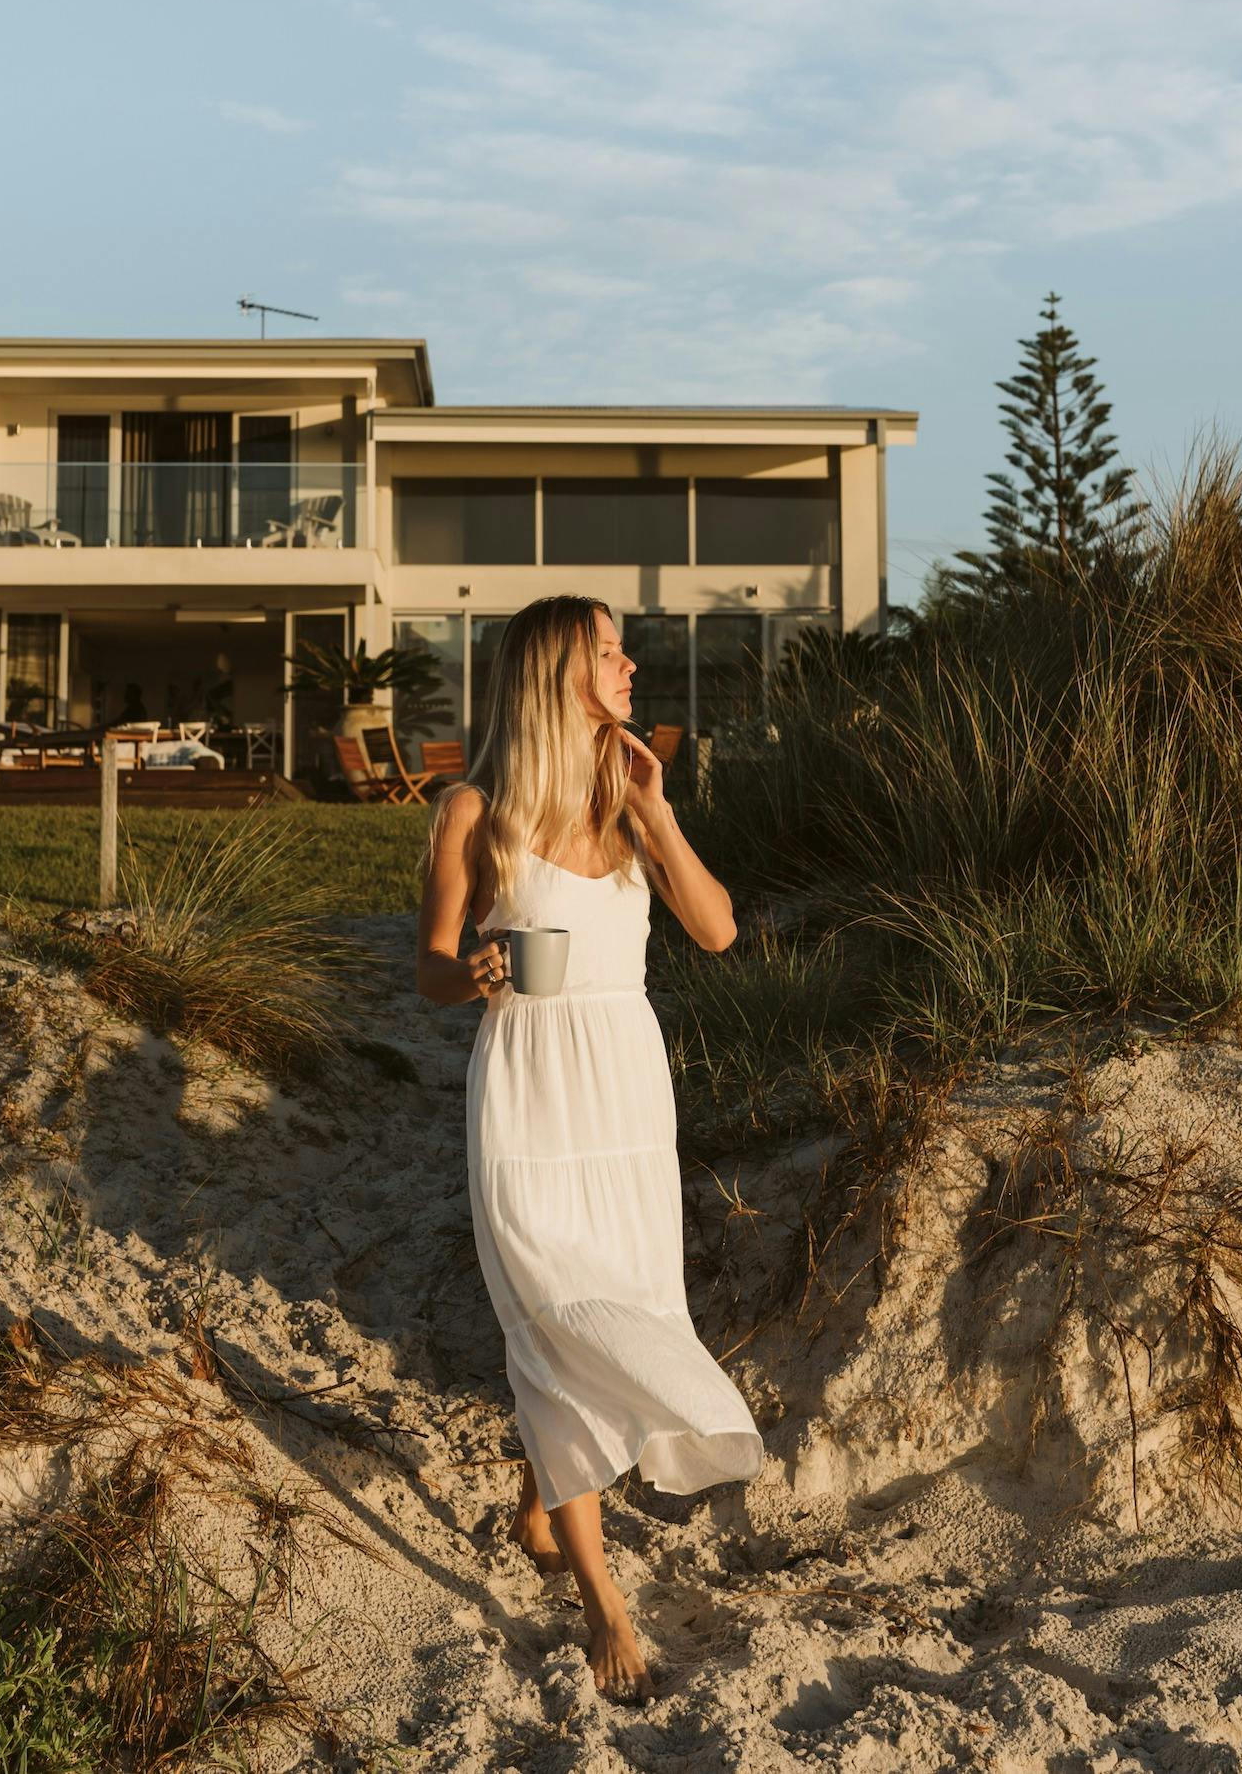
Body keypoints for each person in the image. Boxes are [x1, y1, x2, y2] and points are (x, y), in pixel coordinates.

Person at [416, 595, 764, 1703]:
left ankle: (541, 1500)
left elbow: (717, 929)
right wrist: (471, 973)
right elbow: (429, 965)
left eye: (621, 650)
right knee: (552, 1310)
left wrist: (659, 813)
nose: (629, 665)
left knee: (617, 1300)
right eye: (607, 651)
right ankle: (603, 1600)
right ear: (554, 676)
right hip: (526, 1090)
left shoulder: (625, 802)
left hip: (622, 1094)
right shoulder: (474, 811)